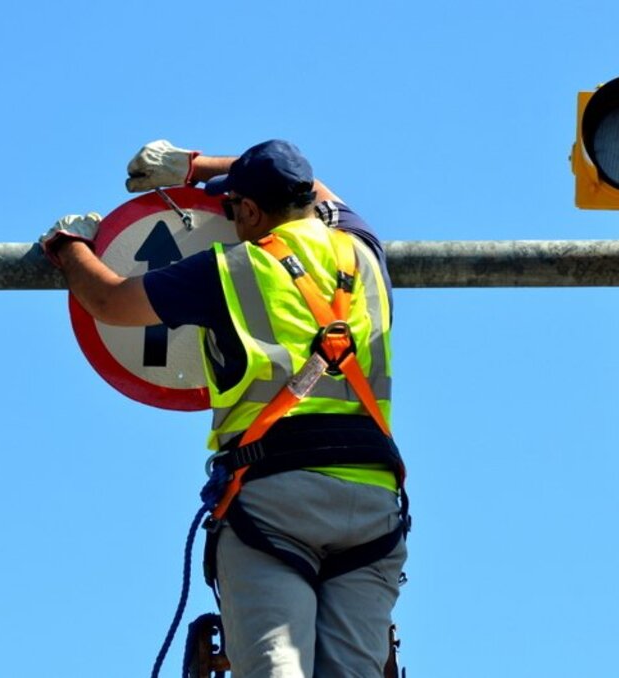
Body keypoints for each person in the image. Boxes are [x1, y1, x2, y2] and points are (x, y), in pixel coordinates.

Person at [40, 139, 408, 678]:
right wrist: (194, 167)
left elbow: (111, 302)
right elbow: (323, 186)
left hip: (274, 498)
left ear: (252, 210)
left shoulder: (235, 269)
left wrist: (67, 244)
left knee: (273, 669)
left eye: (230, 207)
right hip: (373, 502)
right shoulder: (363, 250)